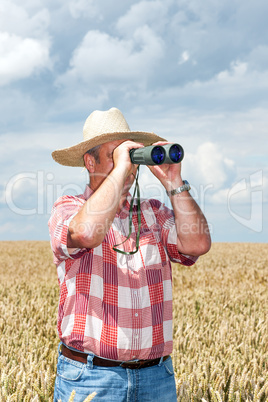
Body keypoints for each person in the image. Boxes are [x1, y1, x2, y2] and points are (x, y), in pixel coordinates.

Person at [48, 107, 211, 402]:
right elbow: (86, 233)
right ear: (89, 161)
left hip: (155, 377)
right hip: (91, 378)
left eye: (131, 156)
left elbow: (197, 244)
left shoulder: (152, 212)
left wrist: (174, 182)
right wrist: (121, 169)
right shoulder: (68, 208)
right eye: (114, 155)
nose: (127, 164)